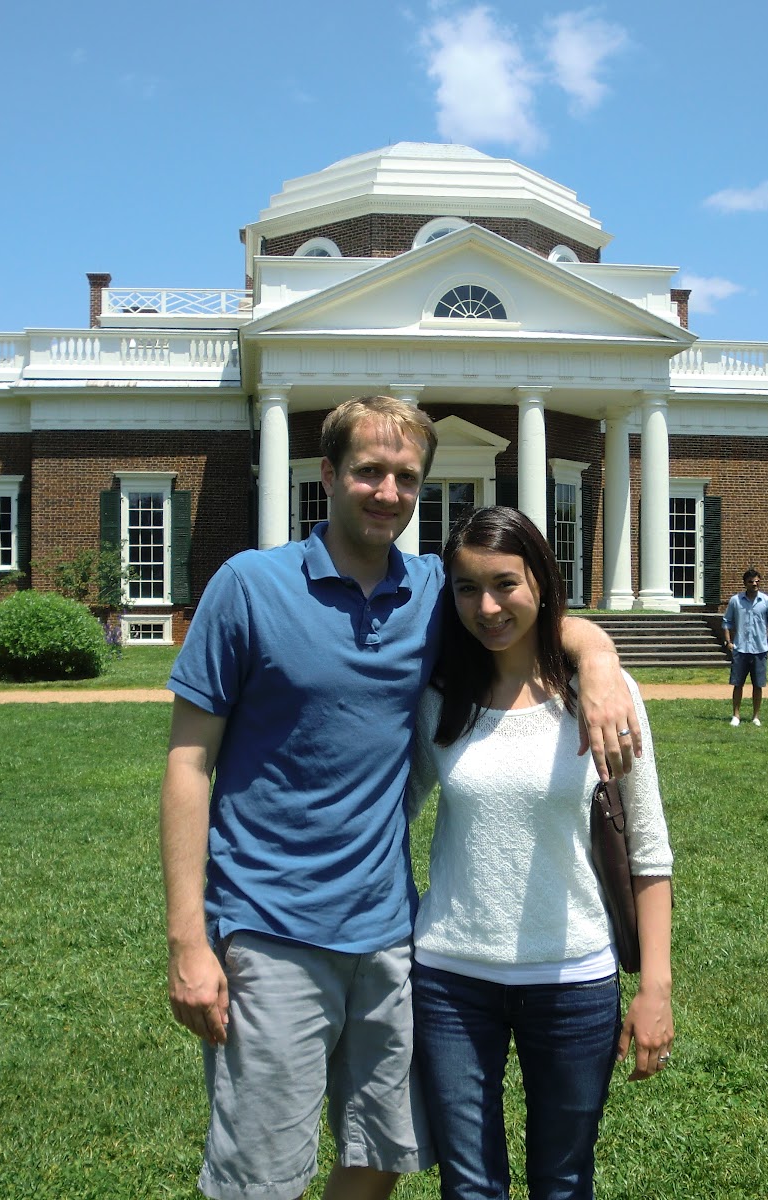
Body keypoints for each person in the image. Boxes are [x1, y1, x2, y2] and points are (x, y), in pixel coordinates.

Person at [160, 395, 639, 1200]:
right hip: (270, 929)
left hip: (388, 934)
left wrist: (596, 653)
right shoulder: (249, 586)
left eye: (406, 477)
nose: (388, 492)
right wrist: (187, 942)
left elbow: (520, 610)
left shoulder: (432, 594)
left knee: (378, 1155)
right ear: (328, 474)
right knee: (261, 1176)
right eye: (369, 472)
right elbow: (186, 764)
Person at [408, 507, 674, 1200]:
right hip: (450, 979)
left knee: (562, 1181)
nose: (487, 607)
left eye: (505, 584)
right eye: (467, 589)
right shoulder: (440, 700)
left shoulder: (603, 698)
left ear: (542, 583)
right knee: (470, 1187)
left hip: (573, 981)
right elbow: (388, 811)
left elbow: (647, 849)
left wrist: (655, 987)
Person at [722, 568, 768, 727]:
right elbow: (726, 622)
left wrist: (767, 643)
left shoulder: (767, 601)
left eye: (757, 582)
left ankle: (755, 716)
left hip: (759, 651)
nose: (755, 584)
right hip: (740, 649)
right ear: (745, 583)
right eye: (751, 582)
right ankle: (736, 715)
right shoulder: (736, 601)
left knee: (758, 685)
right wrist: (729, 642)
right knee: (737, 684)